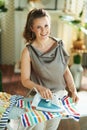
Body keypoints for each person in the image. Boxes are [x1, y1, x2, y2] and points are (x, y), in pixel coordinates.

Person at [21, 8, 79, 130]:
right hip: (38, 96)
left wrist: (73, 91)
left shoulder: (59, 45)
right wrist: (41, 89)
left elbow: (66, 71)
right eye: (39, 27)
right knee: (38, 127)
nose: (44, 31)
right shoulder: (28, 52)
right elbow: (25, 80)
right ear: (32, 28)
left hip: (58, 96)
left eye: (46, 25)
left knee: (52, 127)